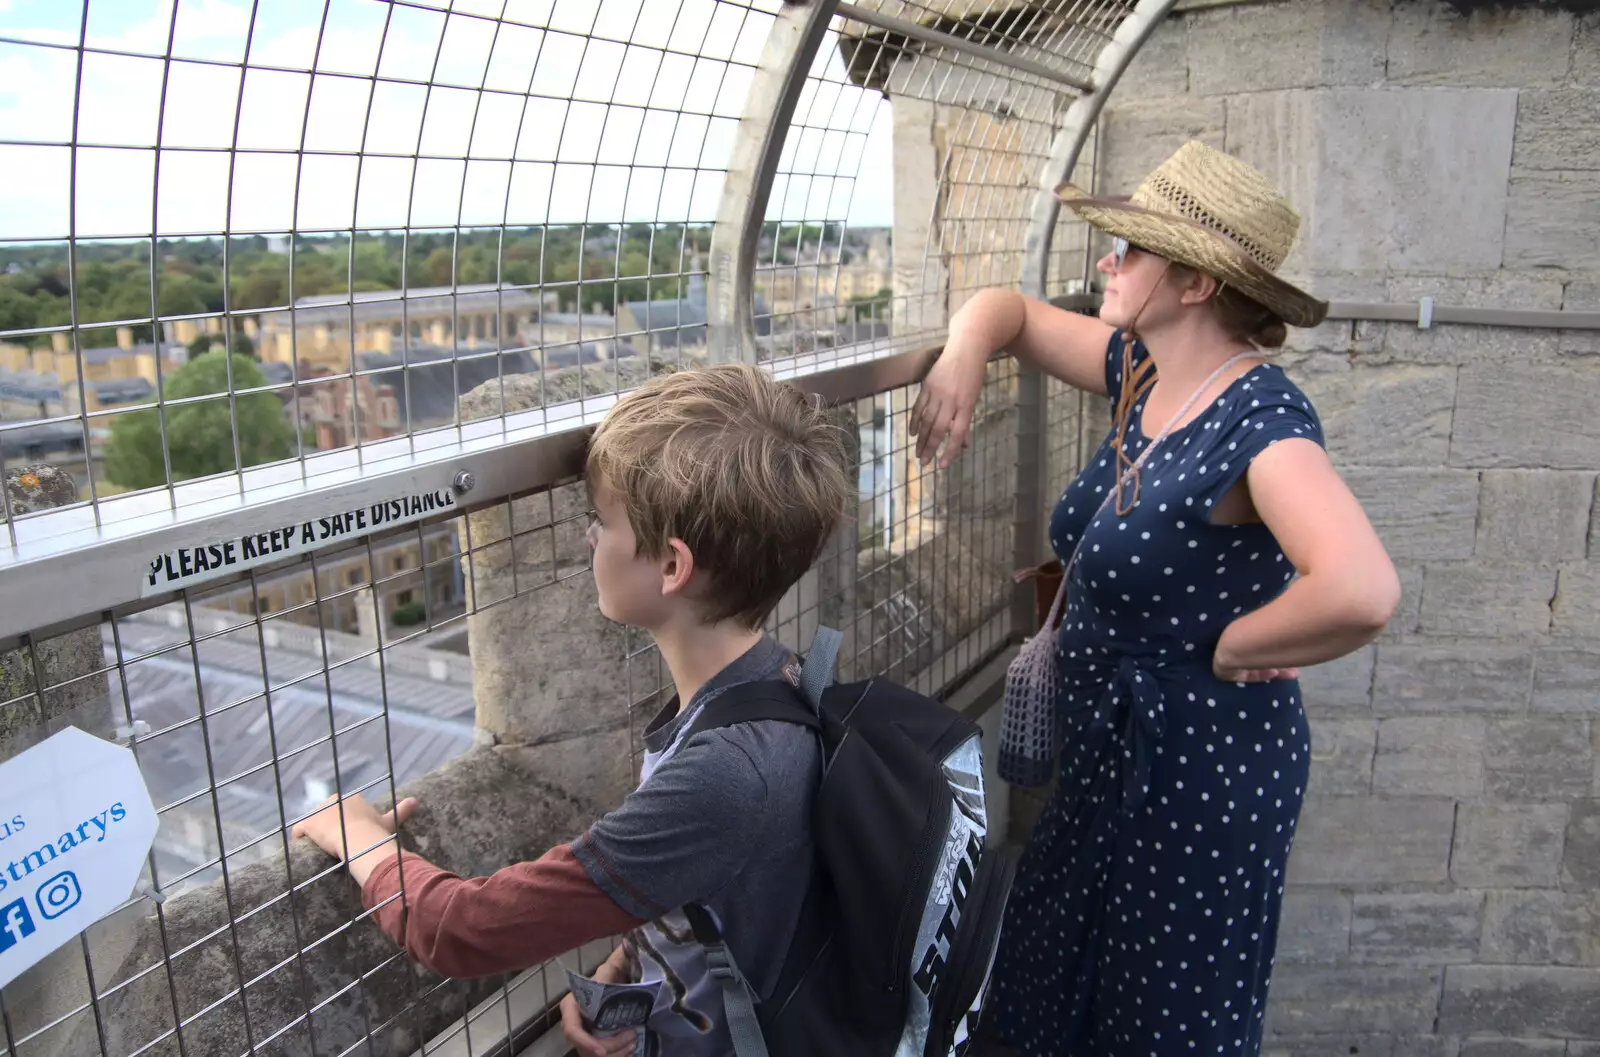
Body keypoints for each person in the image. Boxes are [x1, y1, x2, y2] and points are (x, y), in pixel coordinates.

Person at [909, 141, 1401, 1056]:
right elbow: (1008, 311)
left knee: (1160, 1020)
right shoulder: (1145, 370)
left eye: (1130, 250)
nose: (1108, 260)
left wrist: (1234, 647)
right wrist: (965, 353)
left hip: (1201, 770)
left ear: (1197, 284)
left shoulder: (1259, 416)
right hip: (1112, 756)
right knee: (1049, 985)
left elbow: (1363, 588)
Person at [292, 363, 851, 1057]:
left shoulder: (725, 774)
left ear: (672, 567)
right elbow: (737, 888)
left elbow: (457, 929)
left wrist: (359, 837)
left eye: (601, 520)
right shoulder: (778, 680)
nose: (590, 539)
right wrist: (629, 967)